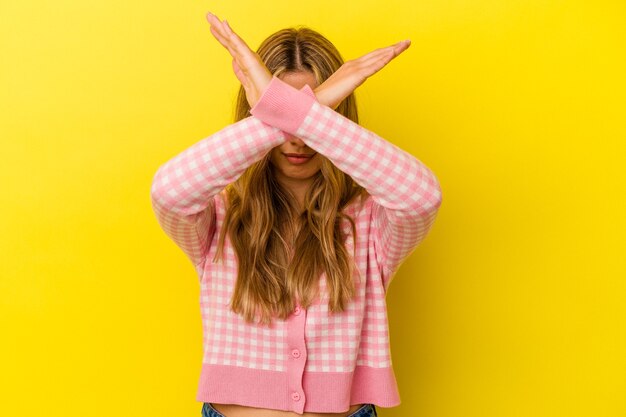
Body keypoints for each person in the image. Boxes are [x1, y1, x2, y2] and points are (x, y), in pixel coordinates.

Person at [150, 11, 443, 417]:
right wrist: (300, 111)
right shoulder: (217, 215)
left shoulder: (370, 221)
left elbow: (422, 197)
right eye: (283, 111)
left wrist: (303, 116)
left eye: (319, 115)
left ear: (336, 121)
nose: (299, 139)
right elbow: (168, 192)